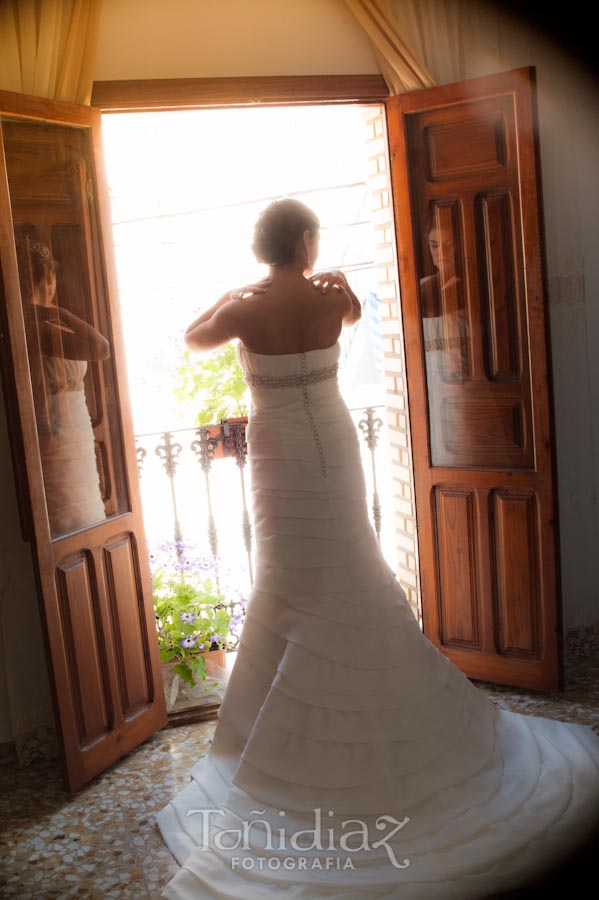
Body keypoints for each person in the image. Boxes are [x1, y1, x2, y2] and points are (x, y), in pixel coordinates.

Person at [156, 199, 599, 899]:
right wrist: (330, 281)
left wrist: (231, 293)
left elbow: (191, 339)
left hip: (277, 452)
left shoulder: (242, 307)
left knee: (287, 574)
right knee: (350, 562)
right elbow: (355, 316)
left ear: (261, 246)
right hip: (332, 439)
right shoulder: (334, 294)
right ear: (306, 242)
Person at [28, 240, 109, 536]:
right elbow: (101, 349)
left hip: (76, 433)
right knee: (67, 520)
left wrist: (56, 314)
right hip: (56, 432)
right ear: (50, 277)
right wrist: (61, 313)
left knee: (85, 518)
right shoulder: (37, 327)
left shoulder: (45, 324)